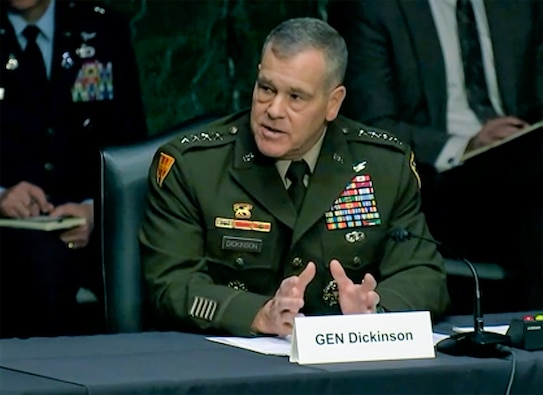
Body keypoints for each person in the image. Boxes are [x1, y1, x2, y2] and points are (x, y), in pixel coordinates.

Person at [140, 17, 449, 337]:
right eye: (266, 89)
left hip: (347, 364)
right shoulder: (193, 167)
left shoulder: (384, 166)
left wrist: (376, 310)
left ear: (333, 103)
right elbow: (172, 285)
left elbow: (423, 275)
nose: (273, 109)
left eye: (295, 97)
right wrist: (257, 315)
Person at [328, 0, 543, 311]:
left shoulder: (519, 7)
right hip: (435, 176)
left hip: (520, 162)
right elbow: (370, 124)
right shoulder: (376, 9)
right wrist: (467, 143)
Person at [0, 0, 147, 338]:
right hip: (12, 230)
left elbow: (131, 146)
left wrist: (97, 210)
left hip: (96, 220)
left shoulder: (102, 29)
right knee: (40, 272)